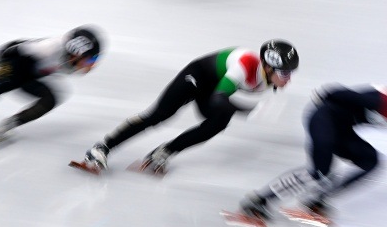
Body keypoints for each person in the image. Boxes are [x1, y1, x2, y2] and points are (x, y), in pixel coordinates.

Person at [233, 76, 387, 226]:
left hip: (341, 128)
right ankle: (257, 202)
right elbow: (333, 92)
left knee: (371, 162)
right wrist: (327, 98)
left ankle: (316, 201)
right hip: (323, 119)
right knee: (319, 171)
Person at [74, 40, 299, 176]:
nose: (288, 80)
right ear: (268, 67)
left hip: (213, 86)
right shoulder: (246, 64)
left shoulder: (266, 82)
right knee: (160, 115)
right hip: (195, 77)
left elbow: (219, 101)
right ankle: (102, 148)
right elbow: (220, 98)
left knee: (218, 122)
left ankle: (165, 152)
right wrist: (249, 111)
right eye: (284, 74)